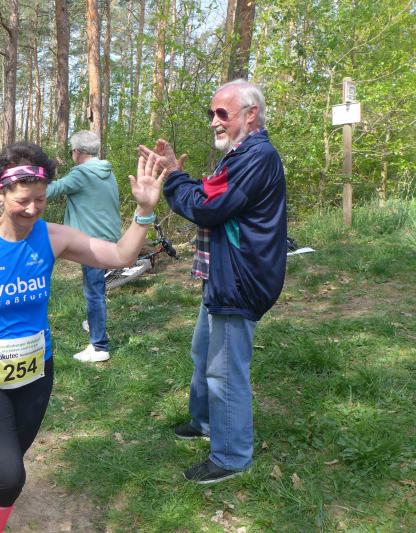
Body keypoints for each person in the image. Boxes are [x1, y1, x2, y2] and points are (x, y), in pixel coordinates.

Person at [0, 142, 166, 532]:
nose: (32, 209)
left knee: (7, 461)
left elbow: (120, 256)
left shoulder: (53, 237)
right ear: (0, 193)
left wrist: (144, 210)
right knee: (11, 477)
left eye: (41, 200)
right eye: (23, 200)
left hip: (35, 372)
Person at [139, 79, 287, 484]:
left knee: (225, 371)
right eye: (212, 113)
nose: (214, 121)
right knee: (203, 352)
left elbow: (208, 206)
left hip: (240, 279)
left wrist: (173, 178)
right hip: (222, 274)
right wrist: (178, 173)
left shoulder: (257, 156)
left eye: (222, 113)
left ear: (250, 115)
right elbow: (209, 192)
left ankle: (232, 455)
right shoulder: (238, 155)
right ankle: (205, 421)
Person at [45, 130, 121, 363]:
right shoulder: (107, 171)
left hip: (92, 242)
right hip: (109, 238)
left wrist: (23, 188)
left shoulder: (81, 173)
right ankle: (95, 322)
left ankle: (99, 346)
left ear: (77, 152)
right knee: (97, 288)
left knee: (93, 292)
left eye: (72, 151)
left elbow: (50, 191)